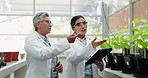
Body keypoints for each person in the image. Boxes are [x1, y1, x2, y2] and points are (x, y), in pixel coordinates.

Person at [24, 12, 79, 78]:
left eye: (50, 22)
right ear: (38, 24)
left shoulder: (50, 41)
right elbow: (42, 54)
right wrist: (66, 41)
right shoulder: (30, 39)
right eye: (47, 22)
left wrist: (58, 67)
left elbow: (51, 58)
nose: (50, 25)